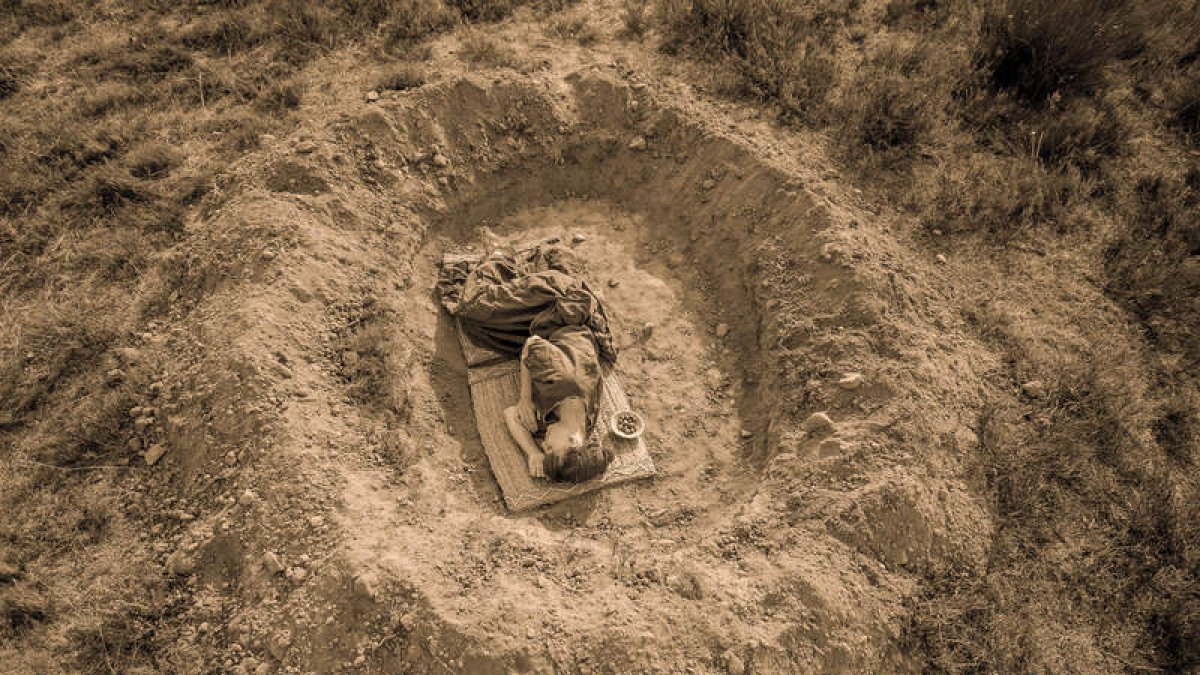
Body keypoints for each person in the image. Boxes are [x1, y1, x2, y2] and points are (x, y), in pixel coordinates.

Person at [437, 239, 616, 482]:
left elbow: (511, 415)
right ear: (574, 442)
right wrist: (525, 398)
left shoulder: (574, 425)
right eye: (550, 448)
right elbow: (531, 345)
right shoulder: (565, 382)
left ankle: (516, 286)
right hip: (556, 306)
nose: (544, 444)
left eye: (544, 448)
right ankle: (501, 256)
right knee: (474, 305)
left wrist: (532, 453)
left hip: (546, 331)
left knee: (483, 332)